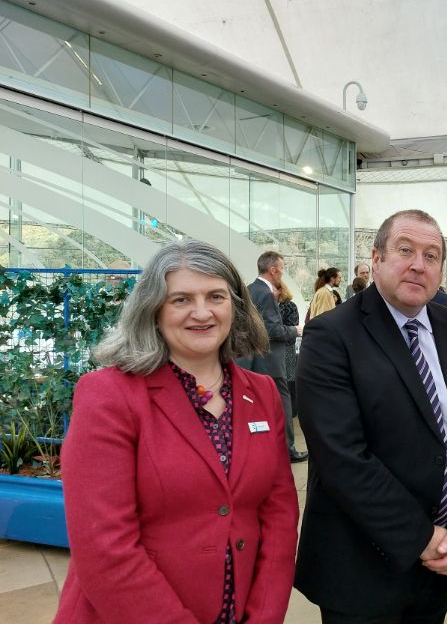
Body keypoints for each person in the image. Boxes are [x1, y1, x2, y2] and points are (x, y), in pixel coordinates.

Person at [54, 240, 300, 624]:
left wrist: (264, 615)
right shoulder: (109, 395)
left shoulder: (262, 393)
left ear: (234, 307)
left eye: (215, 296)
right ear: (154, 311)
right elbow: (105, 547)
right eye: (181, 299)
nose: (201, 312)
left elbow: (280, 517)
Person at [294, 209, 447, 624]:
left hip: (440, 566)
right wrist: (423, 538)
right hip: (362, 567)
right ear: (377, 257)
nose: (418, 264)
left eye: (432, 255)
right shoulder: (332, 335)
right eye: (405, 250)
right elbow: (342, 456)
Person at [238, 251, 307, 463]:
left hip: (253, 359)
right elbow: (271, 330)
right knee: (282, 404)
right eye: (282, 269)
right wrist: (295, 330)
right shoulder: (266, 293)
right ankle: (288, 450)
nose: (282, 274)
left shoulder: (250, 289)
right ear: (273, 270)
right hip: (270, 361)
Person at [276, 281, 301, 417]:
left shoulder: (290, 306)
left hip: (287, 348)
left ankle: (291, 411)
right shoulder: (269, 306)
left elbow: (294, 328)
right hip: (275, 349)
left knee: (289, 380)